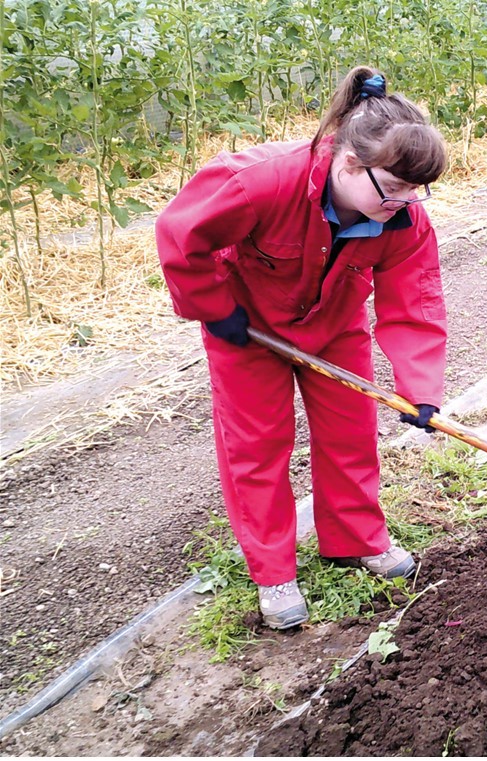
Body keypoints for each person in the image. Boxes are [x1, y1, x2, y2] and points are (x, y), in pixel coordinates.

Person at [155, 66, 448, 630]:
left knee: (352, 434)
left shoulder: (402, 219)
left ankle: (356, 540)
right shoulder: (259, 181)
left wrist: (421, 390)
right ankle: (273, 571)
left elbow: (415, 302)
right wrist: (215, 310)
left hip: (334, 328)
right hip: (247, 331)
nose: (409, 201)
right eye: (398, 186)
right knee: (259, 448)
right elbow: (180, 234)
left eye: (419, 188)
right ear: (350, 164)